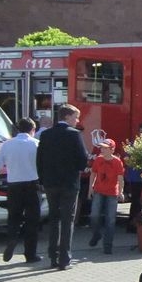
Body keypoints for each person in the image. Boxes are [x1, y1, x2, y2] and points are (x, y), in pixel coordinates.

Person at [36, 103, 89, 271]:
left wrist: (42, 180)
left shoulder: (46, 134)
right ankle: (64, 258)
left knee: (54, 218)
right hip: (69, 183)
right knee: (67, 220)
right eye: (75, 117)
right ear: (67, 117)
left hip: (50, 183)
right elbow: (82, 159)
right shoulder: (74, 134)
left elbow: (39, 159)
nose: (77, 120)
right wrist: (80, 166)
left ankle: (53, 256)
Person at [0, 117, 42, 264]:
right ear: (33, 130)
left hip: (13, 185)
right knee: (32, 220)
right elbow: (42, 164)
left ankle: (12, 238)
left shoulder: (7, 145)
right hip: (32, 184)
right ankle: (30, 254)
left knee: (13, 217)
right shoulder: (36, 144)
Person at [86, 139, 125, 255]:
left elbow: (120, 179)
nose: (102, 149)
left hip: (112, 193)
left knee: (110, 220)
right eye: (102, 147)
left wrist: (121, 192)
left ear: (112, 150)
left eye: (105, 148)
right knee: (94, 215)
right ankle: (96, 234)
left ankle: (108, 245)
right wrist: (90, 188)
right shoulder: (98, 159)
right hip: (98, 191)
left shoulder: (117, 162)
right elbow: (93, 173)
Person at [124, 123, 142, 232]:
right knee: (135, 202)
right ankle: (132, 225)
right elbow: (127, 160)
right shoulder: (133, 145)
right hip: (135, 178)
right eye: (141, 132)